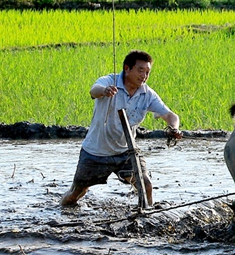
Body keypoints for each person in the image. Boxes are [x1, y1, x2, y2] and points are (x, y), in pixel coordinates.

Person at [61, 50, 182, 207]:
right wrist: (105, 91)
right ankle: (62, 211)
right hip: (95, 152)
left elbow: (170, 115)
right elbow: (94, 90)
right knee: (75, 194)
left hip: (126, 152)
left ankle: (147, 217)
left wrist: (174, 128)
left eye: (147, 72)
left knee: (145, 186)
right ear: (127, 68)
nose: (144, 76)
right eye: (140, 70)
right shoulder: (109, 81)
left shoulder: (147, 94)